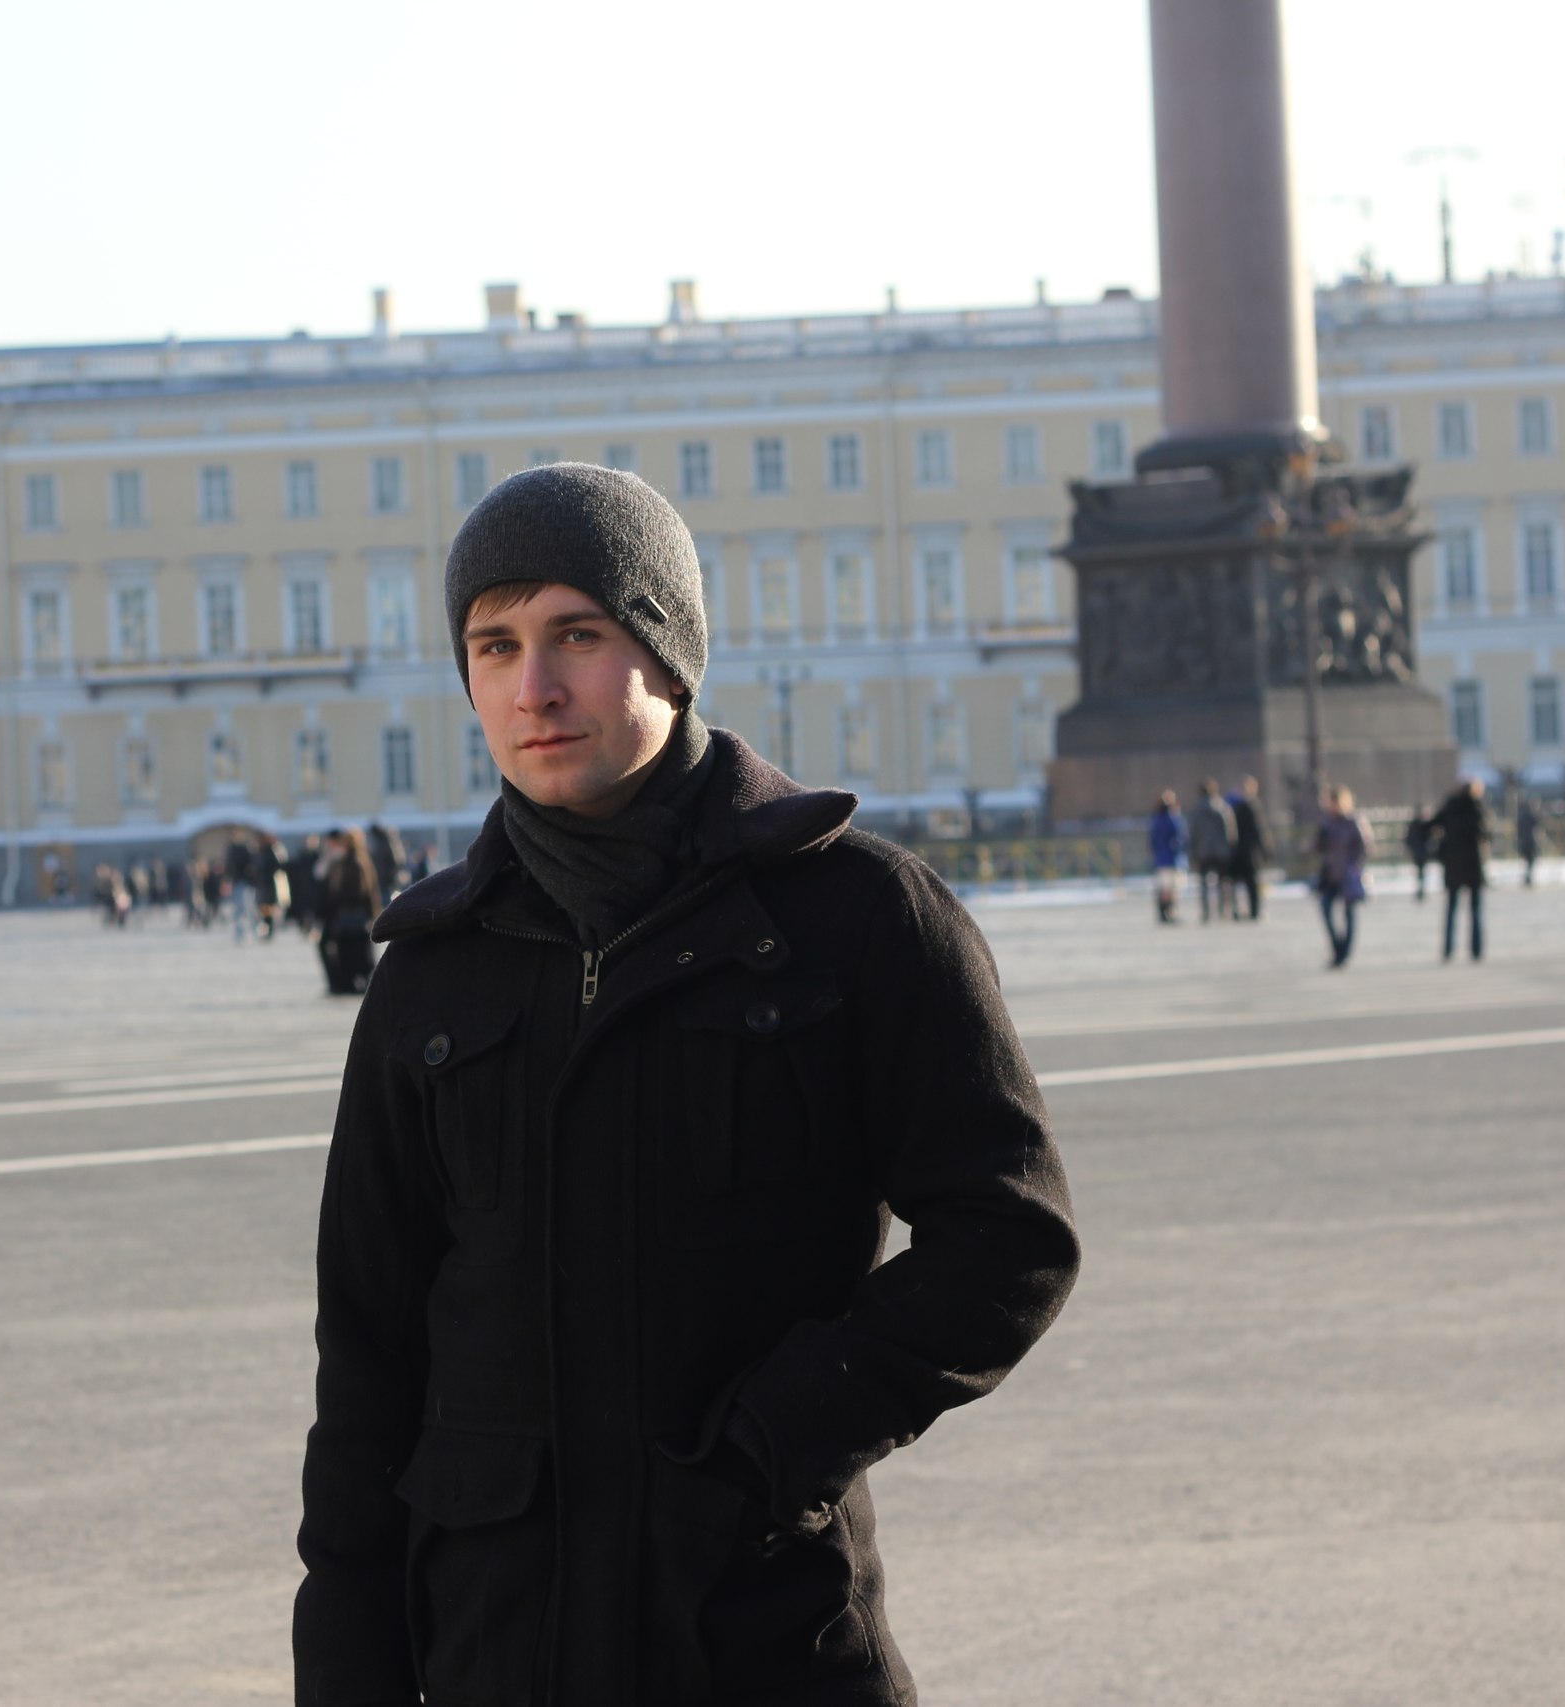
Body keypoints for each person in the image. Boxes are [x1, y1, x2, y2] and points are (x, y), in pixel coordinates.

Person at [294, 463, 1079, 1705]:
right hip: (496, 1645)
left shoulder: (854, 916)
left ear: (667, 655)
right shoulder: (430, 976)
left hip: (763, 1637)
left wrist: (779, 1444)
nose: (533, 688)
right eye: (494, 647)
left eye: (577, 635)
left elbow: (1009, 1235)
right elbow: (367, 1362)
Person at [314, 827, 383, 995]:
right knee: (354, 953)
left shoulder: (352, 863)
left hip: (349, 916)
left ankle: (346, 984)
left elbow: (356, 891)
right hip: (348, 916)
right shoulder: (350, 861)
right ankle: (346, 984)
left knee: (354, 953)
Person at [1430, 777, 1492, 963]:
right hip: (1472, 864)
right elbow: (1486, 833)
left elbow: (1430, 826)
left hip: (1453, 865)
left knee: (1451, 910)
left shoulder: (1450, 807)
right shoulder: (1477, 808)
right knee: (1475, 910)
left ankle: (1448, 949)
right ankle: (1476, 950)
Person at [1314, 784, 1372, 968]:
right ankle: (1337, 947)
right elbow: (1319, 846)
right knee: (1325, 909)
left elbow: (1364, 847)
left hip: (1348, 875)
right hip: (1331, 874)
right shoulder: (1327, 822)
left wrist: (1353, 865)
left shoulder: (1353, 821)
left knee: (1349, 914)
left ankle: (1344, 952)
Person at [1185, 778, 1235, 924]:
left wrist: (1192, 851)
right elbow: (1230, 830)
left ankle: (1206, 911)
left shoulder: (1196, 810)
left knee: (1204, 883)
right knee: (1223, 882)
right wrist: (1230, 847)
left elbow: (1192, 833)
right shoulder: (1223, 807)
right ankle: (1223, 909)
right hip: (1221, 850)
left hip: (1203, 851)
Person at [1227, 775, 1268, 921]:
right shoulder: (1252, 806)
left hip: (1237, 849)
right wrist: (1265, 849)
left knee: (1236, 882)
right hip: (1248, 850)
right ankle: (1253, 910)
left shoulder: (1233, 806)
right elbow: (1258, 830)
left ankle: (1237, 910)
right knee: (1251, 883)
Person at [1147, 788, 1186, 925]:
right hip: (1173, 858)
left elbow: (1152, 841)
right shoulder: (1174, 819)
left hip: (1160, 859)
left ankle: (1162, 912)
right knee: (1173, 887)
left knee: (1163, 887)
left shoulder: (1155, 820)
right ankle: (1170, 912)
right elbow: (1180, 839)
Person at [1403, 803, 1433, 901]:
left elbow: (1408, 839)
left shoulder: (1415, 824)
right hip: (1420, 851)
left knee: (1420, 871)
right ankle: (1421, 889)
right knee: (1421, 871)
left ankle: (1421, 889)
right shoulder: (1421, 824)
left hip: (1418, 851)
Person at [1515, 795, 1542, 887]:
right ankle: (1528, 877)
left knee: (1528, 859)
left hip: (1523, 840)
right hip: (1529, 839)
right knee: (1531, 859)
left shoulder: (1521, 815)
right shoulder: (1530, 814)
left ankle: (1527, 877)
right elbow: (1537, 822)